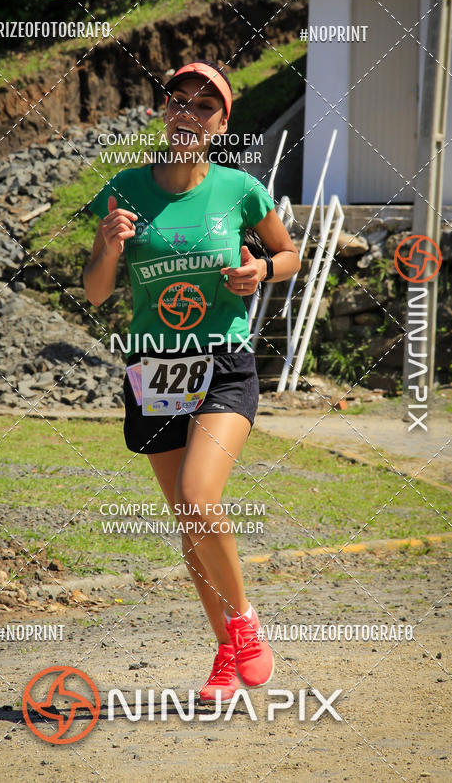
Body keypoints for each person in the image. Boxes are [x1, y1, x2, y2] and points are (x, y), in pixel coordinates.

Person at [84, 60, 301, 702]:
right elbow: (96, 292)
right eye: (179, 100)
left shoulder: (240, 190)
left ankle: (245, 623)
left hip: (223, 364)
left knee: (199, 494)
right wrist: (108, 244)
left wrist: (259, 271)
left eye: (205, 106)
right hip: (154, 366)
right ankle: (224, 657)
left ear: (221, 124)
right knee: (187, 521)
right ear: (164, 112)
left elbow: (290, 255)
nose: (190, 113)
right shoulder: (124, 187)